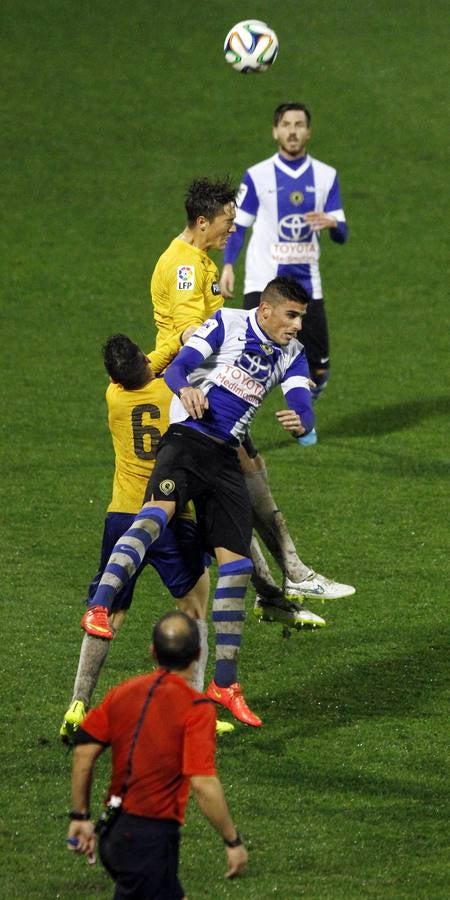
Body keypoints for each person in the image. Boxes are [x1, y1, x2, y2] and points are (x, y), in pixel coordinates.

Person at [81, 277, 323, 728]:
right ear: (267, 311)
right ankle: (99, 606)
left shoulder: (293, 351)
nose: (296, 325)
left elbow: (300, 396)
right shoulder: (227, 323)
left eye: (301, 317)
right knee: (154, 516)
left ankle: (224, 685)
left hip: (225, 457)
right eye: (291, 315)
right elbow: (177, 369)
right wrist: (186, 389)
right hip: (187, 441)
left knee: (238, 566)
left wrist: (301, 420)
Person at [147, 176, 354, 619]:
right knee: (237, 488)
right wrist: (238, 339)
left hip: (210, 389)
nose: (232, 229)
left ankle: (275, 589)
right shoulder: (185, 267)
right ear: (202, 223)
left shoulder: (197, 258)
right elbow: (189, 335)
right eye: (227, 221)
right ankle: (287, 578)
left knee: (243, 484)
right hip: (201, 398)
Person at [60, 335, 233, 742]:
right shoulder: (174, 389)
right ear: (142, 359)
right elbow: (166, 359)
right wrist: (182, 338)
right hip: (168, 512)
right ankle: (194, 711)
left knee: (109, 613)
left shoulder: (114, 398)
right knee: (194, 608)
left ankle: (78, 703)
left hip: (122, 515)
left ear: (112, 377)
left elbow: (146, 363)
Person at [66, 610, 248, 899]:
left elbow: (84, 751)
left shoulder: (123, 692)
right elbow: (203, 785)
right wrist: (232, 840)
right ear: (199, 654)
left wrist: (79, 815)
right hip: (148, 839)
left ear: (153, 651)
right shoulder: (196, 708)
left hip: (114, 829)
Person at [220, 102, 349, 444]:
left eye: (299, 125)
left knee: (318, 368)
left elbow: (342, 234)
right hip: (264, 284)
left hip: (309, 286)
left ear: (308, 131)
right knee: (248, 368)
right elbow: (240, 226)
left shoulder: (326, 176)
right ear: (276, 131)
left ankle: (302, 407)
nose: (292, 131)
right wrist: (229, 264)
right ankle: (232, 434)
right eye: (286, 125)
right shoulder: (257, 176)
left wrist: (333, 223)